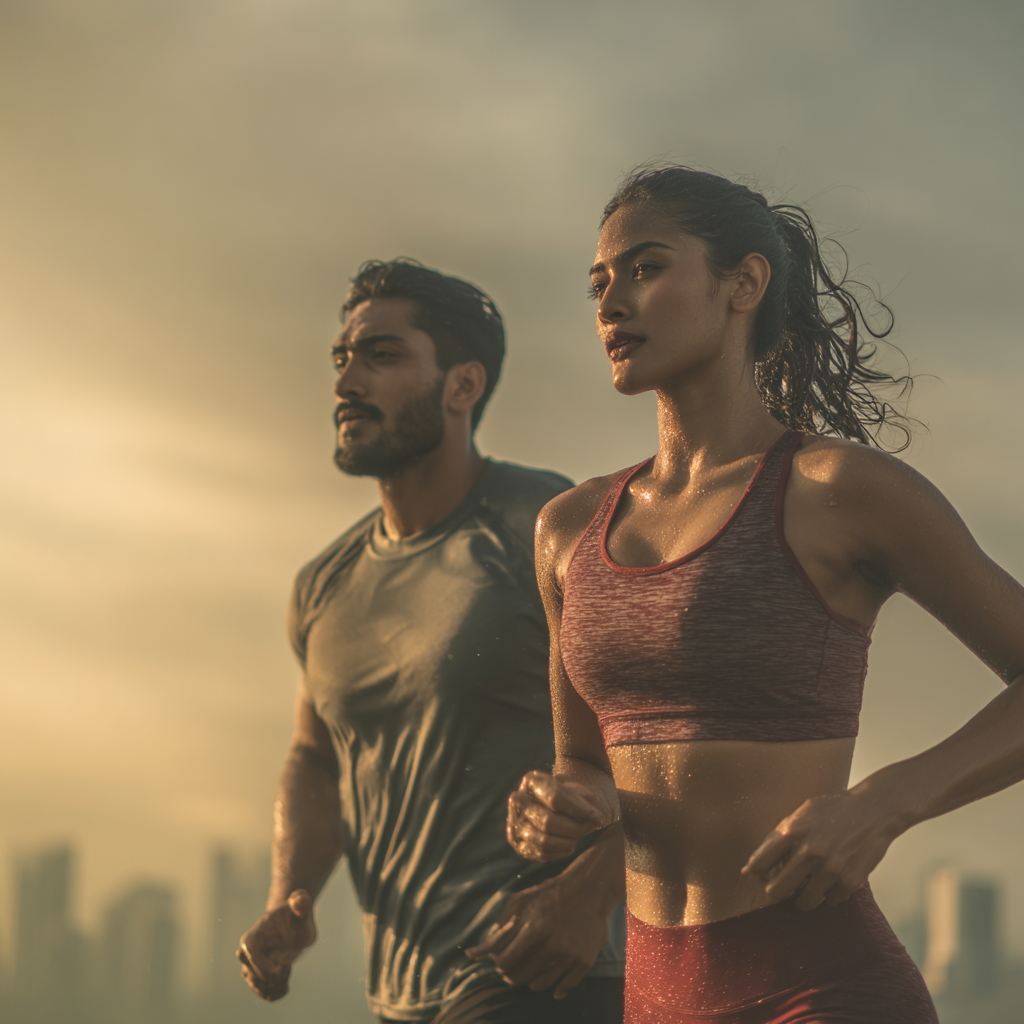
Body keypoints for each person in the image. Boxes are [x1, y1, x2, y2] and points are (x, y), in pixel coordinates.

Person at [505, 167, 1024, 1023]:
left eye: (644, 268)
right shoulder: (566, 529)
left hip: (822, 990)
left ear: (744, 283)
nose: (610, 302)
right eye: (598, 283)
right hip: (654, 999)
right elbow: (587, 765)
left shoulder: (835, 488)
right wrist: (562, 808)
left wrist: (887, 802)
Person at [236, 258, 626, 1024]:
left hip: (545, 975)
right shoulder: (324, 583)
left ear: (463, 386)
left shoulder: (547, 522)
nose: (348, 381)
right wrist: (290, 897)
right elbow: (314, 760)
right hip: (400, 994)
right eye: (342, 358)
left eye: (382, 357)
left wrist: (595, 886)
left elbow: (673, 719)